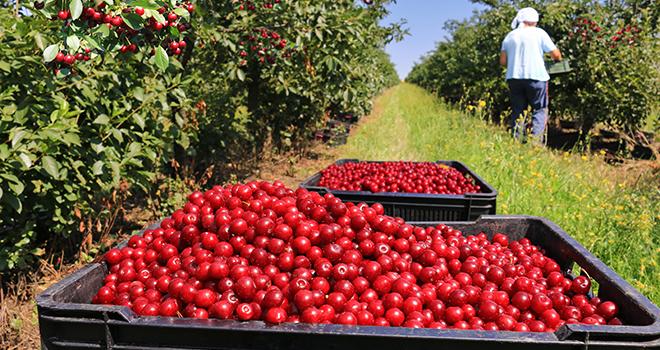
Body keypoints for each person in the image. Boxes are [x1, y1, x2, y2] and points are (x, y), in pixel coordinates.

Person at [500, 7, 562, 143]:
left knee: (518, 110)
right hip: (537, 77)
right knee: (539, 109)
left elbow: (503, 61)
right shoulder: (539, 33)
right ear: (534, 21)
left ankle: (516, 141)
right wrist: (556, 61)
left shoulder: (509, 36)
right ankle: (536, 143)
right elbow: (556, 54)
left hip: (514, 78)